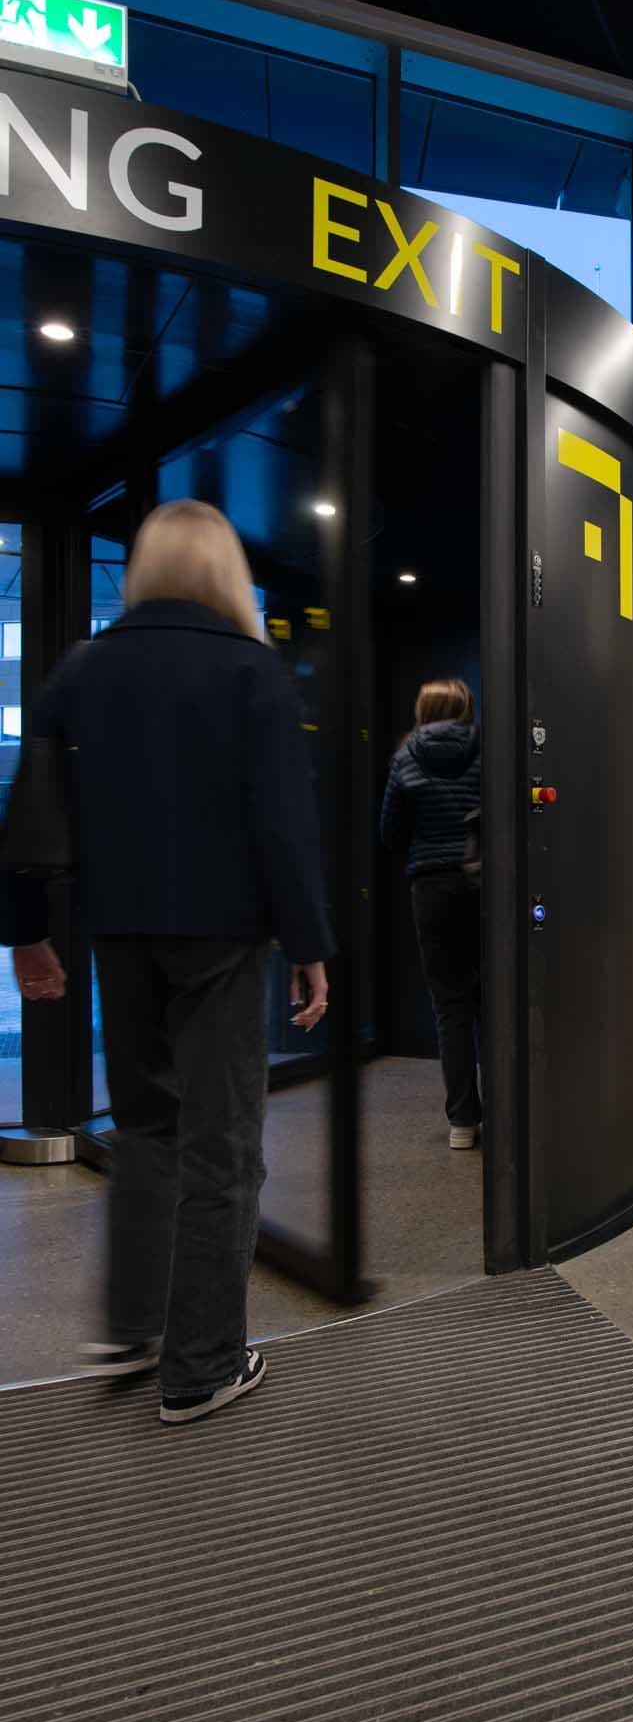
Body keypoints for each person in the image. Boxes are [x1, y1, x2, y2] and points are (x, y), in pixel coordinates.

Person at [0, 500, 331, 1426]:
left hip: (119, 931)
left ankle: (131, 1327)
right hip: (223, 937)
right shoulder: (247, 671)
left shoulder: (85, 668)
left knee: (148, 1129)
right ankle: (201, 1368)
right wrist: (309, 948)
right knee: (222, 1145)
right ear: (224, 570)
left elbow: (27, 810)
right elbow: (282, 827)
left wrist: (27, 932)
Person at [380, 678, 482, 1148]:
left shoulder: (405, 759)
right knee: (498, 1001)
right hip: (485, 884)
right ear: (464, 707)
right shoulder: (488, 750)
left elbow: (390, 831)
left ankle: (463, 1121)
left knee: (451, 1008)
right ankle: (508, 1114)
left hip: (431, 888)